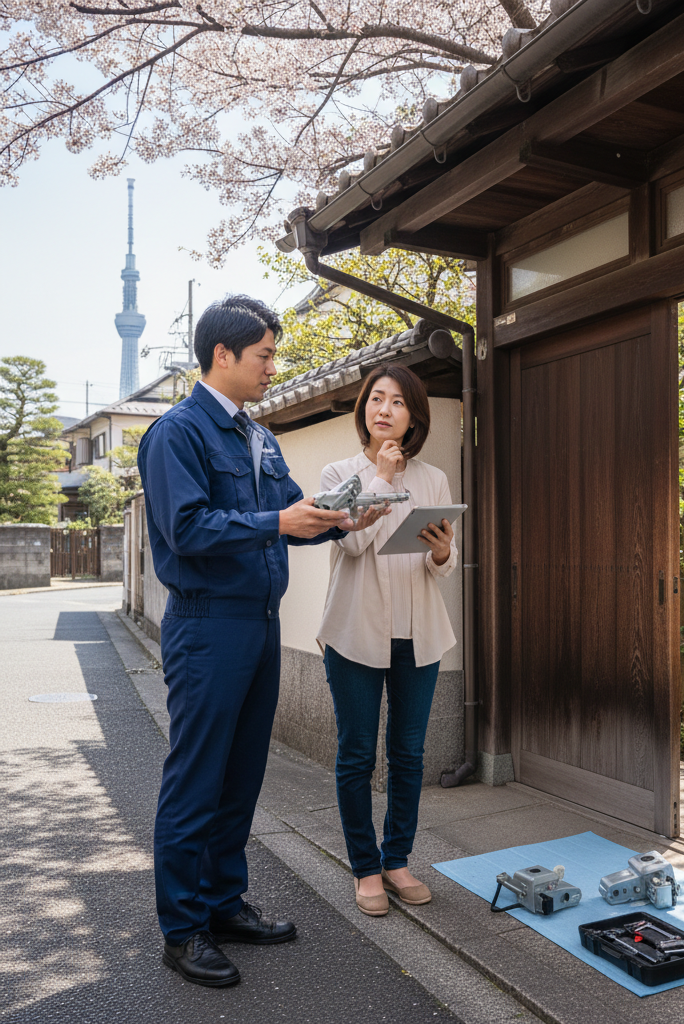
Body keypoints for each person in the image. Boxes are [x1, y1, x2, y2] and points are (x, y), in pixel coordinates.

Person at [137, 295, 382, 987]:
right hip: (208, 621)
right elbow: (187, 528)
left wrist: (345, 520)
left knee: (241, 772)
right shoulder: (177, 434)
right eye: (265, 354)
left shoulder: (258, 436)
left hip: (259, 622)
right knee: (197, 778)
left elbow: (297, 513)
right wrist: (277, 521)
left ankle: (221, 903)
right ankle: (182, 930)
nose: (274, 366)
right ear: (223, 355)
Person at [317, 364, 457, 917]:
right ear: (363, 410)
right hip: (354, 634)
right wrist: (379, 481)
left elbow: (438, 565)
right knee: (356, 755)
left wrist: (443, 550)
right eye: (376, 399)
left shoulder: (434, 478)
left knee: (408, 753)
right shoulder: (339, 472)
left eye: (397, 402)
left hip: (419, 634)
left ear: (413, 416)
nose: (384, 409)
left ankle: (397, 859)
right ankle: (365, 868)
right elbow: (351, 547)